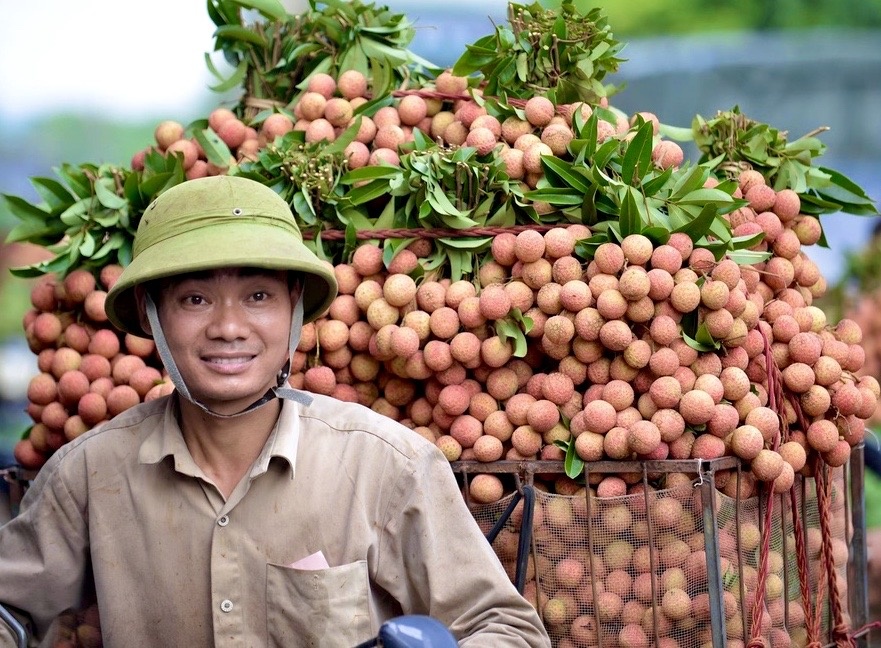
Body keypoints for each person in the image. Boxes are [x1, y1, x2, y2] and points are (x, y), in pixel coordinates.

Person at [0, 176, 551, 647]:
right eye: (195, 299)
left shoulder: (386, 465)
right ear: (150, 316)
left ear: (295, 309)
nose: (228, 327)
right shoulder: (91, 473)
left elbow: (506, 628)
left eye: (258, 296)